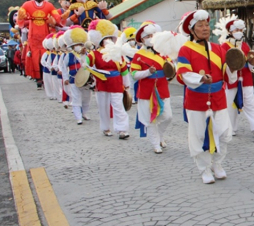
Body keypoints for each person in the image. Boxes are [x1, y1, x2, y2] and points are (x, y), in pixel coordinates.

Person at [176, 10, 236, 184]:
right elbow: (183, 73)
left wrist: (234, 67)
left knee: (224, 132)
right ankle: (204, 168)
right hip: (196, 99)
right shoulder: (185, 50)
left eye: (206, 25)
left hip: (218, 97)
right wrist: (200, 78)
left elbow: (228, 73)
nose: (205, 28)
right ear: (192, 30)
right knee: (199, 134)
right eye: (200, 25)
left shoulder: (218, 48)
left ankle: (217, 163)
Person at [131, 22, 173, 154]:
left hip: (162, 89)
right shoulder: (138, 55)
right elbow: (134, 75)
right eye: (148, 36)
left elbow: (171, 68)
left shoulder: (163, 53)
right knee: (151, 119)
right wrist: (147, 72)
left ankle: (160, 135)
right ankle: (155, 143)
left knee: (168, 116)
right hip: (147, 91)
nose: (151, 37)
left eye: (152, 35)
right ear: (142, 39)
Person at [221, 19, 254, 138]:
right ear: (230, 31)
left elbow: (250, 63)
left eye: (241, 30)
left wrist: (252, 61)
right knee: (228, 104)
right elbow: (223, 63)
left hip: (245, 79)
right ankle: (229, 128)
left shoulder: (245, 46)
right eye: (237, 30)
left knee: (250, 102)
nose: (239, 32)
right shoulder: (224, 46)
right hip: (230, 80)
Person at [17, 0, 63, 89]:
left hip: (44, 33)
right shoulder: (27, 5)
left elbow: (56, 17)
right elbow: (20, 18)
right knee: (34, 57)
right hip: (33, 35)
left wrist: (57, 20)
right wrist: (21, 19)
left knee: (46, 55)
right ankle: (38, 78)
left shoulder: (49, 5)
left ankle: (46, 76)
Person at [87, 19, 131, 139]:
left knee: (118, 106)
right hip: (102, 83)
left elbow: (124, 69)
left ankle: (122, 129)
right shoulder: (94, 54)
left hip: (116, 83)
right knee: (103, 106)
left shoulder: (118, 53)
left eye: (111, 39)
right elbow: (86, 65)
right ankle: (105, 128)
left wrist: (126, 84)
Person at [64, 27, 91, 124]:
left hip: (86, 79)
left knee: (86, 97)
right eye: (77, 44)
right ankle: (78, 117)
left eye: (80, 44)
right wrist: (65, 78)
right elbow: (63, 67)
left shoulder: (87, 54)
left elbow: (90, 64)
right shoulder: (69, 55)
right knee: (76, 98)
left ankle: (85, 113)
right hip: (74, 79)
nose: (79, 46)